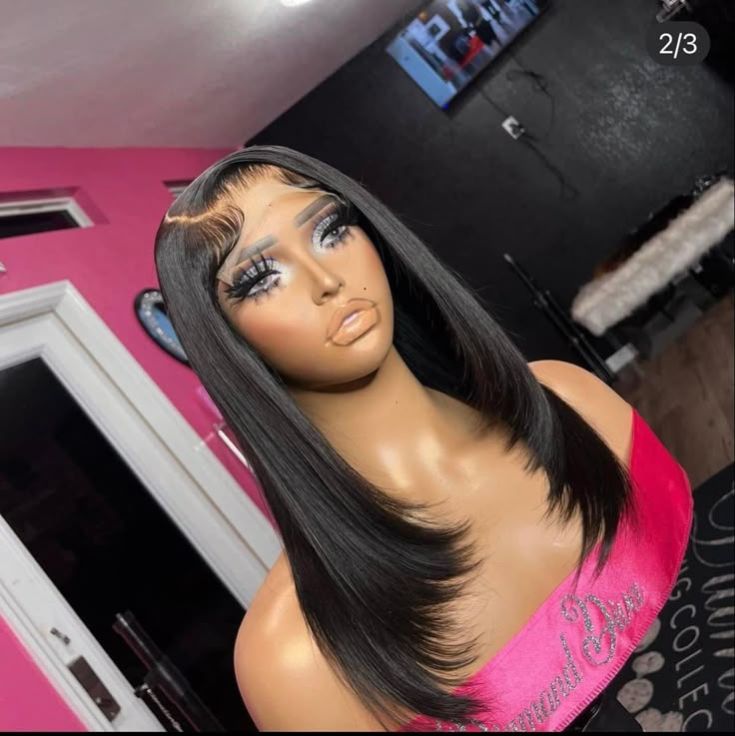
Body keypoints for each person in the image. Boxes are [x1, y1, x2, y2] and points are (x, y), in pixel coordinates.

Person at [153, 146, 693, 731]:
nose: (327, 280)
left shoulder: (572, 403)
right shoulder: (294, 659)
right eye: (262, 278)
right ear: (224, 339)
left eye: (330, 231)